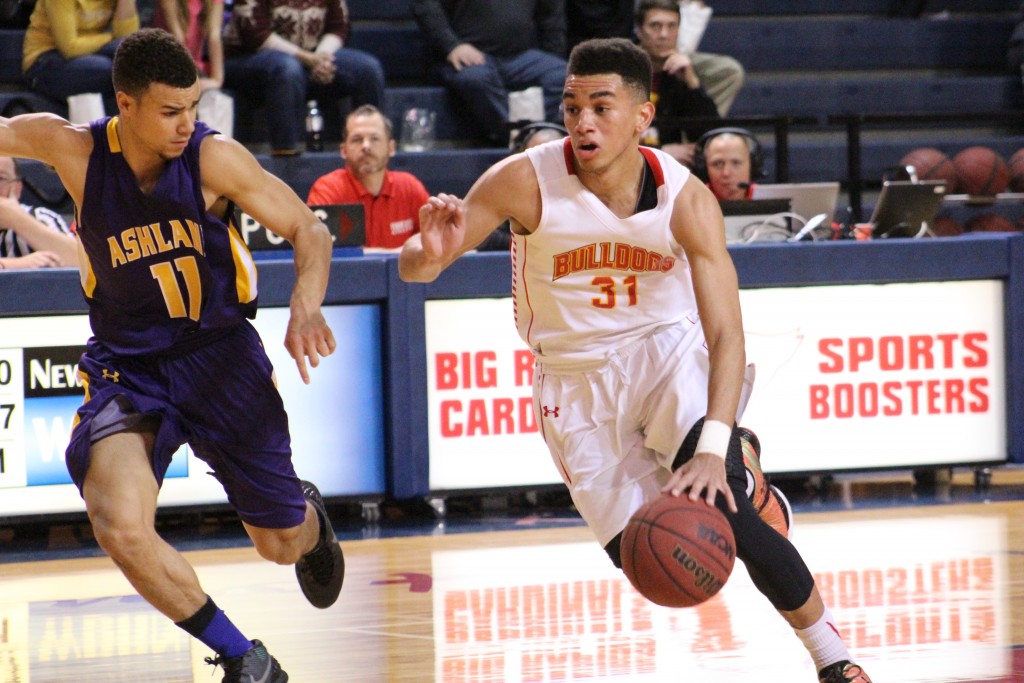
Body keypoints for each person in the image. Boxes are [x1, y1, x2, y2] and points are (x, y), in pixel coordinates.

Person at [398, 38, 871, 683]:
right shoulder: (524, 179)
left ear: (643, 115)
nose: (583, 121)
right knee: (654, 560)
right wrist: (424, 253)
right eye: (571, 107)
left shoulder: (687, 197)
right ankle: (744, 480)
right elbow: (419, 271)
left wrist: (713, 443)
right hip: (572, 379)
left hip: (666, 354)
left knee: (724, 497)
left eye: (601, 105)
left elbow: (728, 333)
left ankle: (834, 659)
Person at [0, 29, 345, 682]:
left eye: (193, 107)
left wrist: (306, 299)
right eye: (170, 111)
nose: (189, 123)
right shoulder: (73, 151)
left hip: (221, 360)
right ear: (124, 105)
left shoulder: (214, 159)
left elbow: (309, 228)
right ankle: (247, 658)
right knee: (119, 522)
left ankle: (308, 516)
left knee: (278, 545)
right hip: (128, 365)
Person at [223, 0, 385, 155]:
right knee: (287, 69)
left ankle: (374, 144)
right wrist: (306, 58)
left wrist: (321, 57)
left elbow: (339, 26)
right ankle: (285, 153)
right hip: (251, 58)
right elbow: (255, 34)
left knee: (368, 69)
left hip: (313, 56)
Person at [412, 0, 568, 146]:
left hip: (519, 57)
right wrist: (451, 46)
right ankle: (518, 139)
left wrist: (553, 55)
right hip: (468, 56)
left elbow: (551, 17)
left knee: (565, 76)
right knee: (475, 79)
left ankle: (537, 133)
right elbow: (426, 5)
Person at [307, 104, 429, 250]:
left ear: (391, 148)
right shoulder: (328, 189)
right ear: (343, 150)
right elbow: (317, 251)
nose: (366, 146)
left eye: (374, 138)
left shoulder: (409, 187)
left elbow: (432, 243)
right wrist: (395, 255)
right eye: (357, 139)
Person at [634, 0, 720, 167]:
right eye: (655, 26)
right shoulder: (621, 70)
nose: (664, 34)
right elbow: (609, 138)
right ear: (639, 31)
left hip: (668, 174)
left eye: (671, 26)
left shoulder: (679, 74)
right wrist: (661, 151)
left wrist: (692, 83)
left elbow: (710, 137)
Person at [22, 0, 139, 116]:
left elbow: (127, 42)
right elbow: (69, 47)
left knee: (129, 57)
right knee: (115, 70)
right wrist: (110, 38)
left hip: (91, 51)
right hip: (45, 61)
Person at [0, 155, 77, 269]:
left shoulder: (40, 218)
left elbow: (81, 262)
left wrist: (18, 220)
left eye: (1, 179)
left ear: (17, 189)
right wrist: (17, 264)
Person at [695, 127, 762, 201]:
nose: (726, 173)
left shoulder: (766, 196)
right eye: (717, 164)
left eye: (736, 163)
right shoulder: (693, 202)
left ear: (752, 166)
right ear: (704, 168)